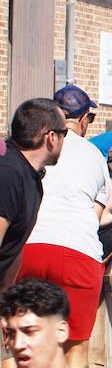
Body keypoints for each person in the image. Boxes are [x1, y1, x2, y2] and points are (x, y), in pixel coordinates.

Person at [15, 85, 110, 368]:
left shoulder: (29, 147)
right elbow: (94, 217)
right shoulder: (93, 154)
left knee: (18, 341)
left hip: (29, 248)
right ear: (83, 119)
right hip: (76, 252)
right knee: (75, 348)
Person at [0, 98, 65, 288]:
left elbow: (14, 249)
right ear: (51, 137)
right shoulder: (8, 174)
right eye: (64, 134)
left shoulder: (31, 179)